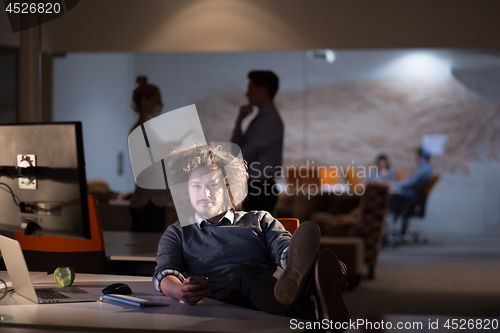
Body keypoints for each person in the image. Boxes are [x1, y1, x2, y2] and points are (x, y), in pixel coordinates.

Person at [154, 144, 349, 327]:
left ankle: (314, 283)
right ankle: (311, 308)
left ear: (228, 187)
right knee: (246, 274)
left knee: (271, 268)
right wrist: (179, 291)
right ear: (186, 192)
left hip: (269, 298)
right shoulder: (178, 232)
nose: (205, 193)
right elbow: (165, 273)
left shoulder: (259, 219)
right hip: (221, 306)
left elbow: (285, 249)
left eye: (213, 185)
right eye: (196, 186)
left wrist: (312, 265)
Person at [231, 70, 284, 214]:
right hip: (257, 187)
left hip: (261, 188)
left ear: (263, 90)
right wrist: (239, 121)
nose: (247, 94)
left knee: (255, 234)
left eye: (250, 89)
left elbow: (242, 154)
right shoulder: (262, 119)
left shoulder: (269, 121)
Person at [128, 76, 168, 232]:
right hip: (148, 202)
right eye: (157, 100)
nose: (161, 105)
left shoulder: (150, 131)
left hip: (154, 200)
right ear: (145, 102)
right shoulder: (139, 132)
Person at [389, 147, 433, 236]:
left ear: (422, 157)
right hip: (413, 196)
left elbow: (411, 183)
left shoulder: (424, 169)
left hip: (411, 198)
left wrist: (397, 185)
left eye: (418, 156)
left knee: (392, 198)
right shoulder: (427, 168)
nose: (416, 158)